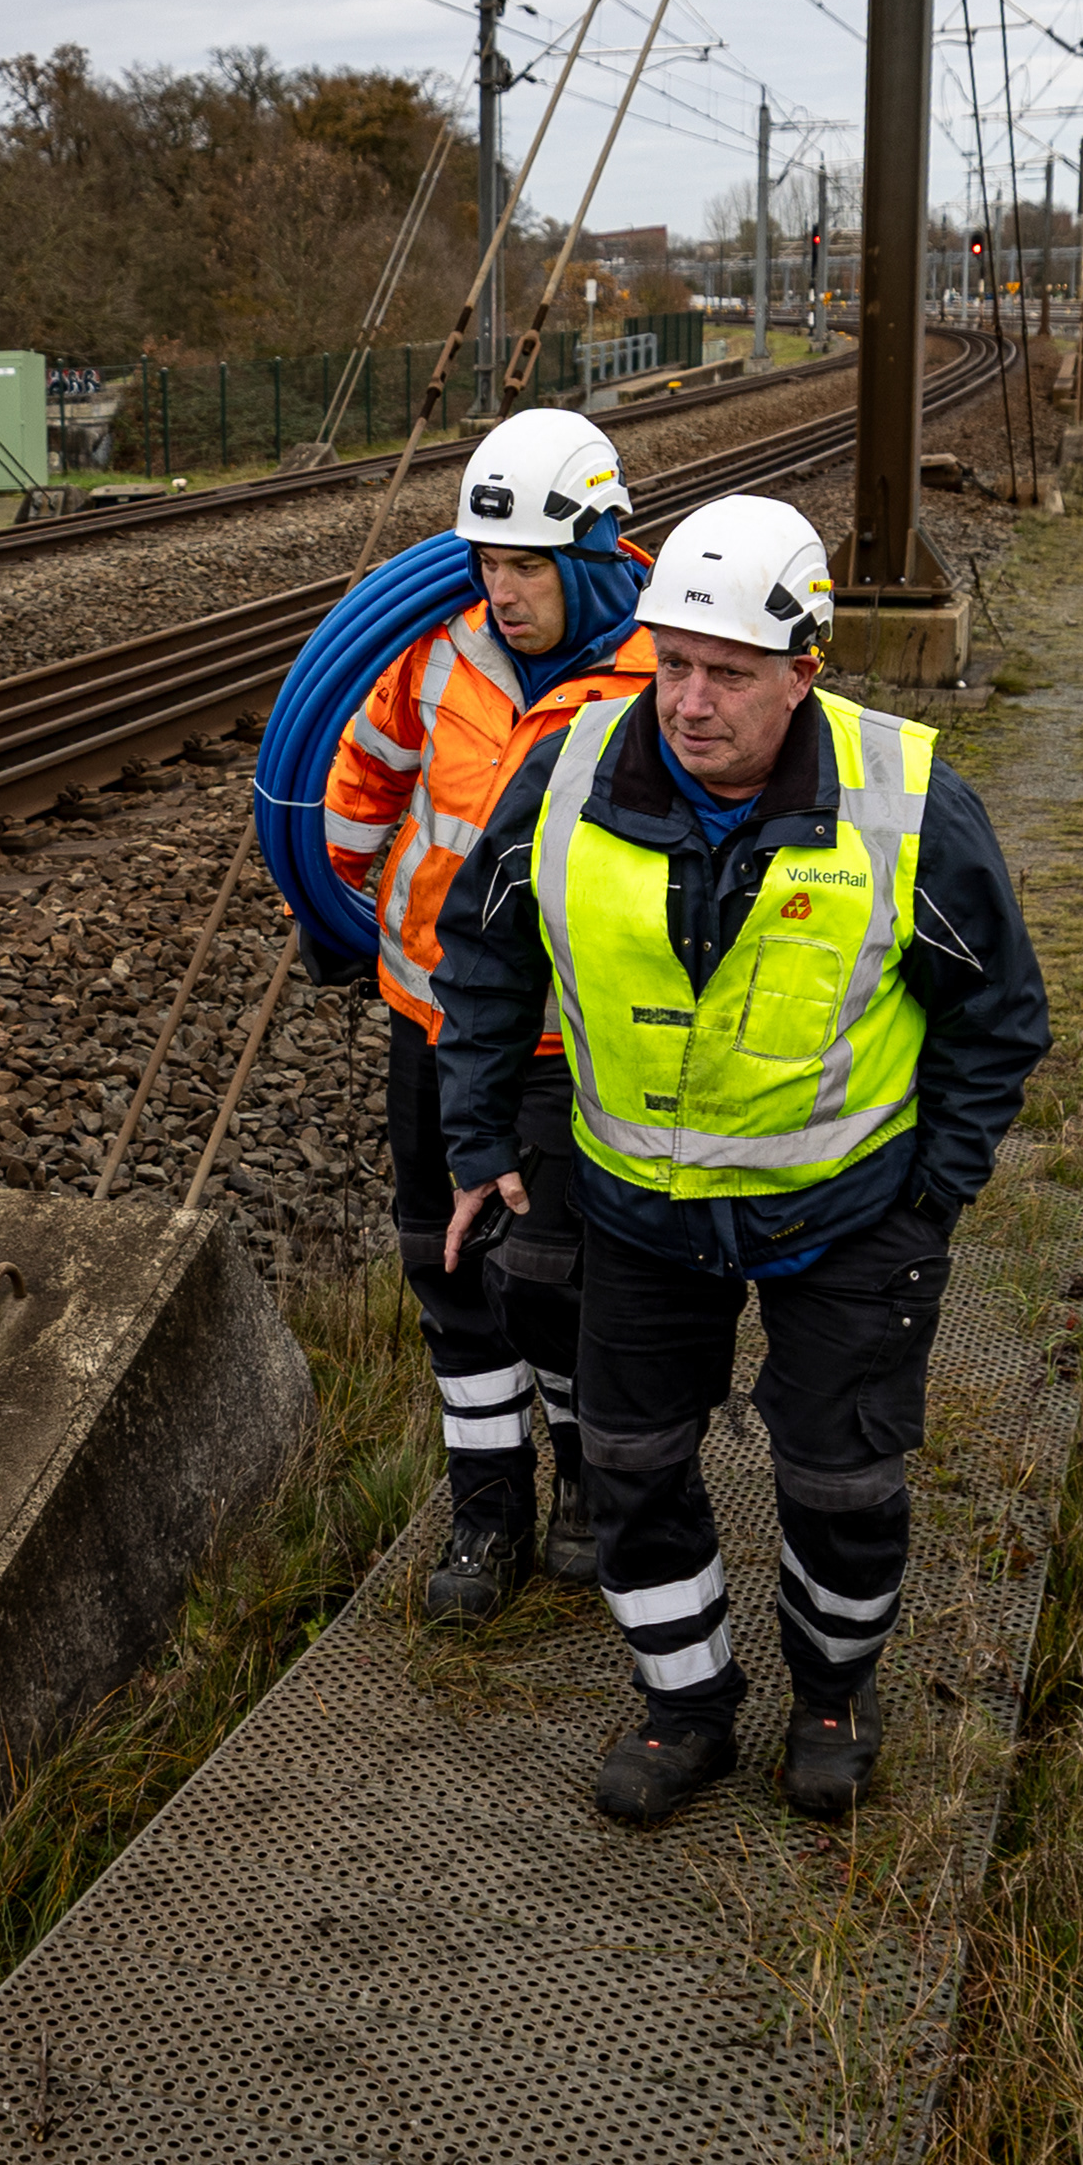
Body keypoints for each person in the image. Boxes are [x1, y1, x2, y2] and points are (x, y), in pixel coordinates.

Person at [430, 493, 1049, 1824]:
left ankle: (832, 1694)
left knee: (840, 1479)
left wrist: (932, 1197)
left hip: (846, 1222)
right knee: (637, 1463)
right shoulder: (575, 773)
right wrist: (479, 1136)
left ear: (802, 674)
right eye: (672, 667)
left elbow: (999, 1016)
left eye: (726, 674)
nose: (689, 703)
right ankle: (685, 1706)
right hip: (641, 1221)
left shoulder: (908, 804)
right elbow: (483, 954)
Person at [322, 406, 654, 1621]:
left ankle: (580, 1481)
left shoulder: (662, 679)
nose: (502, 592)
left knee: (555, 1275)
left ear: (591, 555)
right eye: (490, 564)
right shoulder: (439, 652)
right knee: (445, 1262)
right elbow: (363, 771)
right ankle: (486, 1506)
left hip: (570, 1040)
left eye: (528, 567)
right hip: (431, 1012)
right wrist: (334, 895)